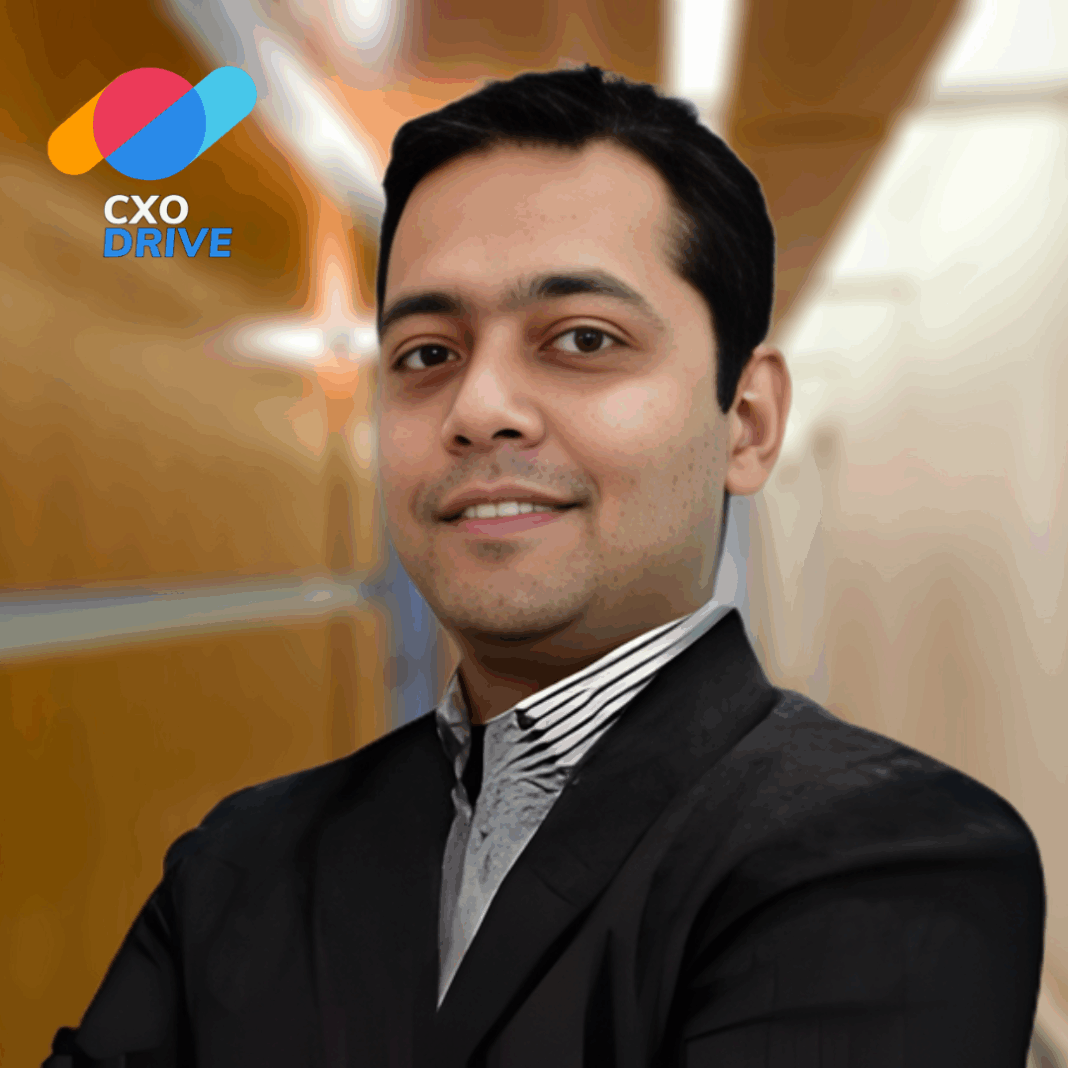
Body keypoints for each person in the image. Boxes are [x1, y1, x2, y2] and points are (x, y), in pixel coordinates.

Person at [46, 65, 1044, 1068]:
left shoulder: (887, 857)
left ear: (746, 422)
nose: (478, 409)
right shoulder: (242, 859)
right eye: (426, 354)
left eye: (582, 339)